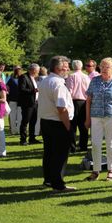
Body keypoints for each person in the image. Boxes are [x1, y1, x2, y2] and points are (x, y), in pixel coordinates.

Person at [38, 55, 75, 192]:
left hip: (46, 121)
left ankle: (49, 180)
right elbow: (61, 108)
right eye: (66, 67)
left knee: (49, 153)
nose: (68, 70)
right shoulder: (58, 83)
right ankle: (58, 184)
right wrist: (68, 127)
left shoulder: (45, 81)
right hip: (57, 122)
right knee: (60, 154)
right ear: (58, 68)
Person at [84, 57, 112, 181]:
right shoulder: (94, 81)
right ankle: (96, 170)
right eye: (102, 66)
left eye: (107, 67)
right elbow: (88, 101)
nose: (104, 69)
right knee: (95, 143)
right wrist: (87, 118)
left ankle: (111, 170)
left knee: (111, 143)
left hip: (111, 116)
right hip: (95, 116)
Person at [65, 60, 91, 153]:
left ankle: (72, 147)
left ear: (72, 66)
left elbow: (69, 91)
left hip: (74, 102)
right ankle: (83, 146)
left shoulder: (71, 76)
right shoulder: (86, 77)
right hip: (84, 102)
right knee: (83, 126)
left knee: (73, 125)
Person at [18, 63, 40, 145]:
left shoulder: (34, 78)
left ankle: (32, 138)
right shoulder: (23, 77)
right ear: (33, 70)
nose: (38, 72)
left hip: (35, 103)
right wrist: (33, 91)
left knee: (33, 121)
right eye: (37, 71)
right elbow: (21, 89)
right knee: (25, 121)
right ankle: (23, 140)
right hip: (27, 103)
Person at [6, 66, 22, 135]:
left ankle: (13, 130)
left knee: (12, 116)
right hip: (19, 100)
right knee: (19, 116)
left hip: (12, 99)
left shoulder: (10, 80)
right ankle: (18, 130)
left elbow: (7, 89)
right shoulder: (23, 79)